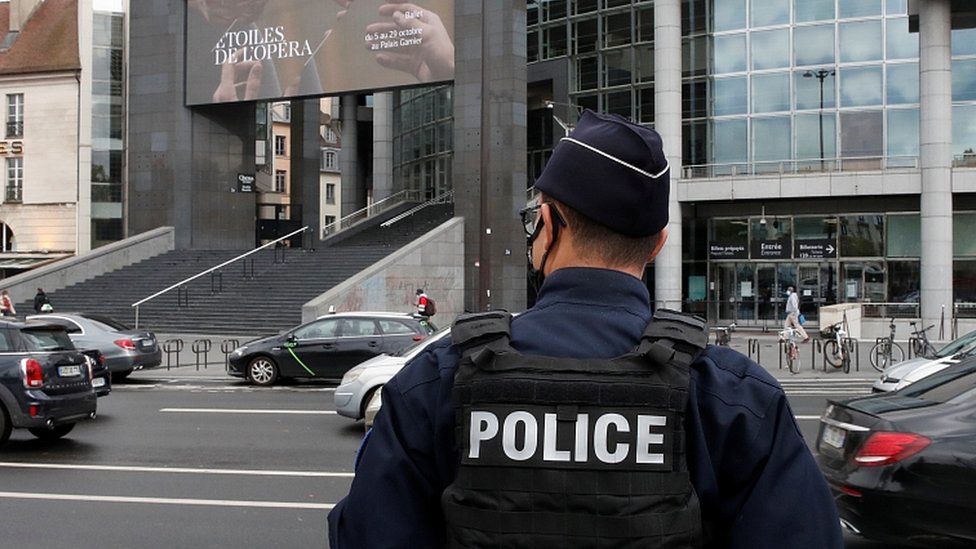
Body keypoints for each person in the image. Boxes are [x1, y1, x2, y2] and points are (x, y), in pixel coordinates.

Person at [328, 111, 843, 548]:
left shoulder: (437, 380)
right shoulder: (733, 398)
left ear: (548, 225)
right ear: (658, 243)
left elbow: (364, 532)